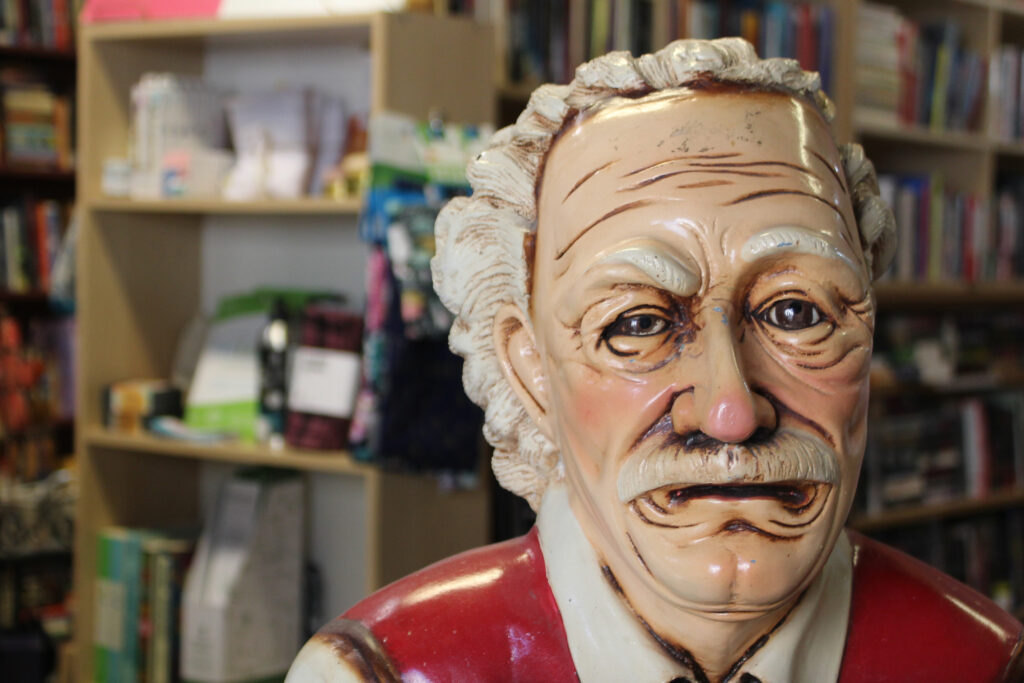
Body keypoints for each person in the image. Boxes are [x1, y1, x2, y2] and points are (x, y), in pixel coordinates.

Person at [286, 38, 1023, 682]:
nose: (731, 412)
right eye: (636, 323)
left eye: (798, 313)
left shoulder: (982, 664)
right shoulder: (386, 673)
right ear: (528, 367)